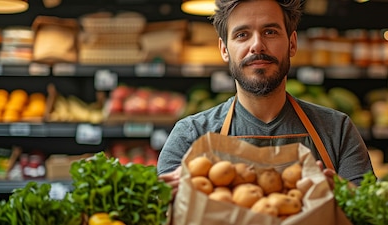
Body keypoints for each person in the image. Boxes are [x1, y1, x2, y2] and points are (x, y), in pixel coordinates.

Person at [157, 0, 374, 195]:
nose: (257, 45)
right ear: (224, 50)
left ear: (292, 43)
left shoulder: (337, 130)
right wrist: (169, 201)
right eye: (242, 34)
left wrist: (344, 196)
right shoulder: (191, 135)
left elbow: (369, 213)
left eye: (270, 32)